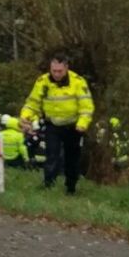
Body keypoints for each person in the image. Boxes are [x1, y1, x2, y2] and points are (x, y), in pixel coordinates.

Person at [19, 53, 94, 194]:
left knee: (72, 157)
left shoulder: (78, 82)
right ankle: (48, 184)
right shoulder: (43, 82)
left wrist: (83, 123)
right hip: (52, 124)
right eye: (54, 71)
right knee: (51, 155)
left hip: (73, 126)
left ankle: (71, 187)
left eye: (60, 71)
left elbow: (86, 106)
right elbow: (33, 103)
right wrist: (25, 117)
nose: (56, 74)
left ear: (66, 68)